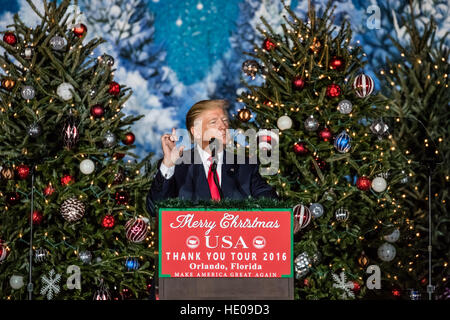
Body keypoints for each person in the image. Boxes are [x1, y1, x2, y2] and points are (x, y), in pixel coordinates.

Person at [146, 99, 278, 215]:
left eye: (225, 120)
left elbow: (270, 203)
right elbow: (154, 208)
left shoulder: (245, 165)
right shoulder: (178, 166)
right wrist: (168, 165)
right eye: (213, 122)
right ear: (196, 131)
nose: (223, 126)